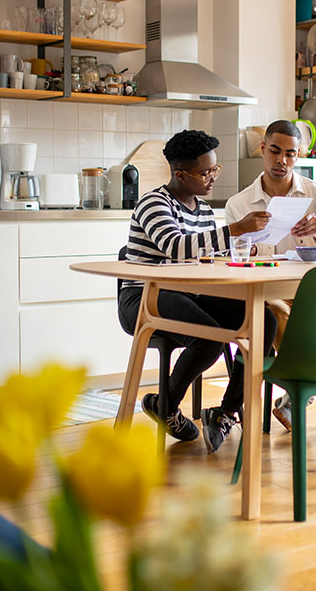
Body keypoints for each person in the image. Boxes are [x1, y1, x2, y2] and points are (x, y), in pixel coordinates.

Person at [117, 129, 277, 454]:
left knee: (264, 319)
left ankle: (225, 412)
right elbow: (176, 248)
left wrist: (250, 249)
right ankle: (166, 405)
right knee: (210, 336)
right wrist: (235, 229)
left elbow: (207, 256)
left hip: (189, 294)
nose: (212, 178)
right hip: (145, 296)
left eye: (215, 170)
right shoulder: (152, 203)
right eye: (206, 173)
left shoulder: (202, 210)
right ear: (180, 174)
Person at [225, 120, 316, 442]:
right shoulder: (238, 205)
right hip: (266, 297)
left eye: (290, 154)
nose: (282, 161)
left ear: (299, 155)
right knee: (278, 312)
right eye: (275, 152)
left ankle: (297, 399)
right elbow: (232, 259)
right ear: (263, 149)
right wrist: (247, 247)